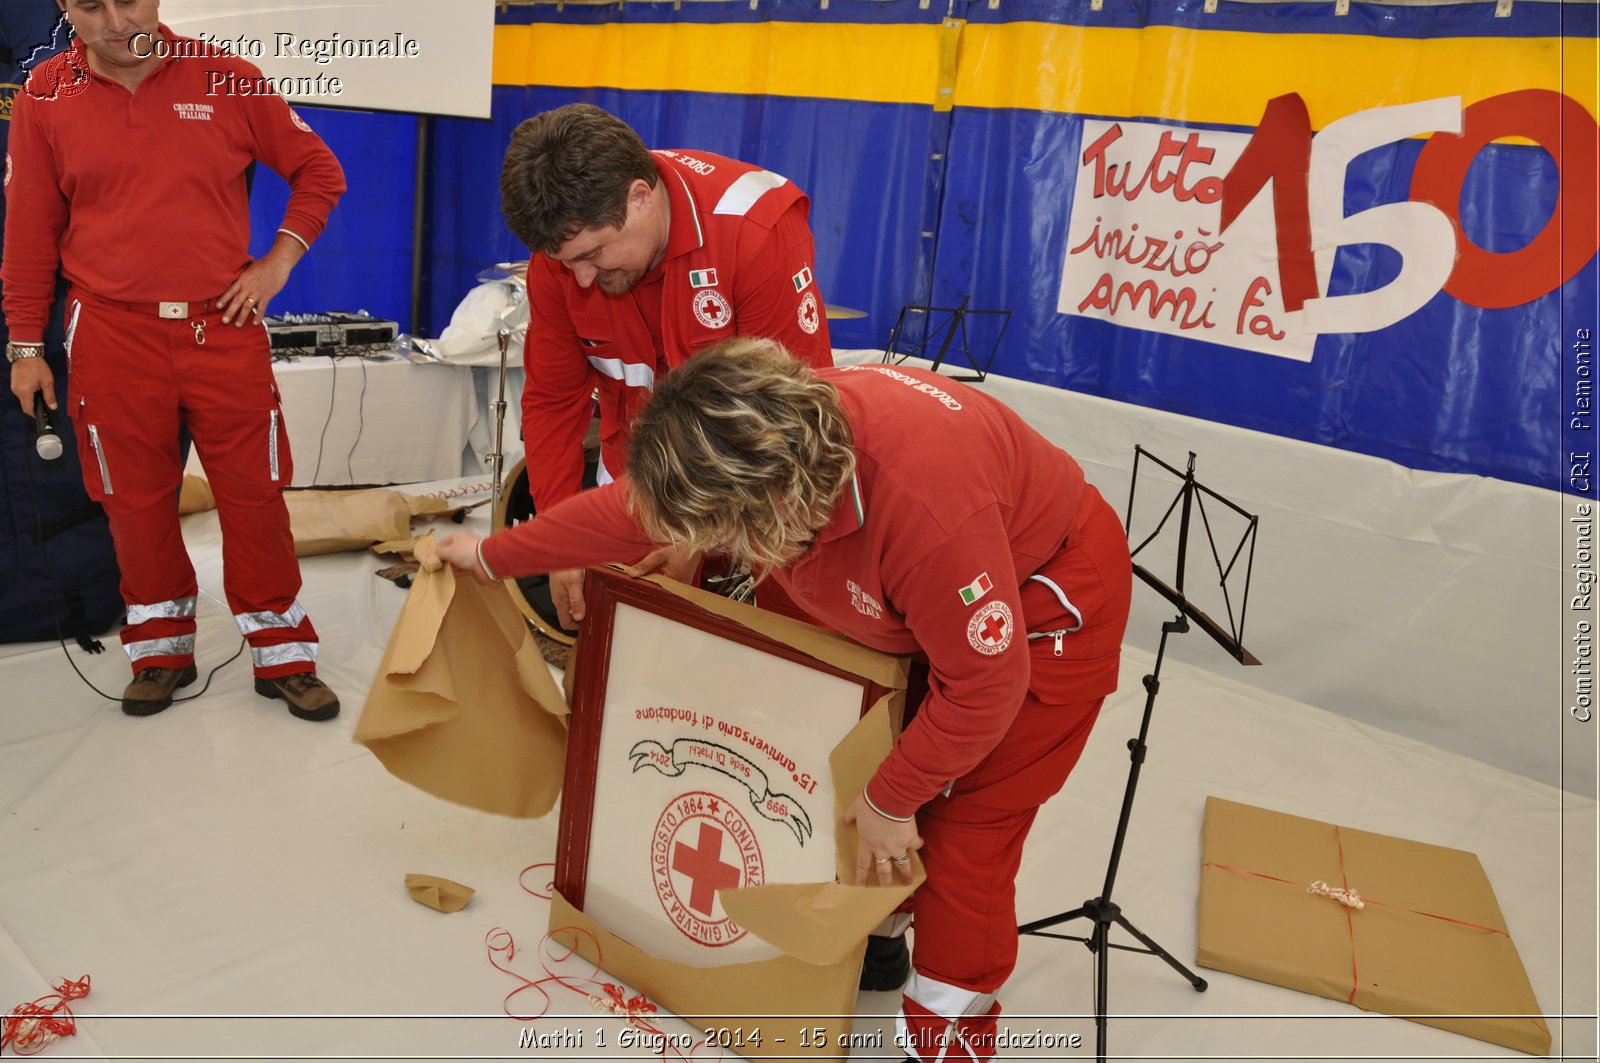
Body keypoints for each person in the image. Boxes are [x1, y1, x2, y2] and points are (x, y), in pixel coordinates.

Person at [435, 340, 1133, 1061]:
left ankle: (948, 1040)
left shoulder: (927, 504)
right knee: (840, 757)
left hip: (1040, 610)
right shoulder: (748, 438)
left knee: (960, 834)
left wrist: (895, 800)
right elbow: (626, 511)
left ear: (776, 501)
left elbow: (987, 686)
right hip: (921, 588)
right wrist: (494, 556)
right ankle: (880, 939)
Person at [4, 0, 347, 720]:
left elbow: (318, 171)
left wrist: (277, 264)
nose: (114, 17)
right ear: (66, 8)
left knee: (254, 496)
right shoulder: (43, 97)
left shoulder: (229, 80)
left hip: (220, 328)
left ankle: (282, 648)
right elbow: (31, 229)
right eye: (91, 4)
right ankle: (160, 648)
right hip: (108, 335)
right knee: (132, 503)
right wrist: (26, 345)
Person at [498, 102, 834, 629]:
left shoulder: (755, 231)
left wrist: (701, 532)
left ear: (640, 198)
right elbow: (552, 402)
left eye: (594, 255)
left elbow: (801, 424)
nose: (581, 279)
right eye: (567, 263)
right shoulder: (563, 256)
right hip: (635, 489)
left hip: (759, 496)